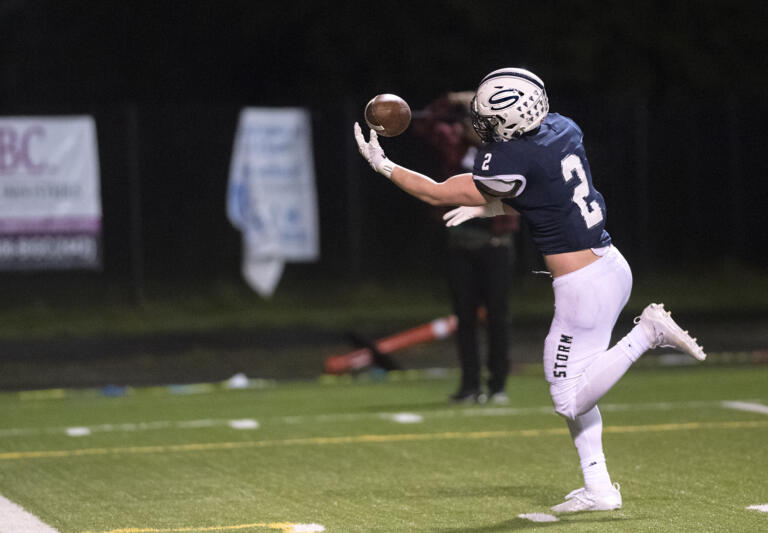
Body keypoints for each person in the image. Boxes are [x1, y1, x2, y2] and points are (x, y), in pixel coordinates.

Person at [354, 67, 706, 512]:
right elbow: (542, 189)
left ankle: (648, 333)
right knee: (576, 388)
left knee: (568, 396)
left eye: (487, 117)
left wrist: (384, 165)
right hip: (610, 265)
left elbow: (439, 192)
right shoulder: (561, 127)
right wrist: (485, 210)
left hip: (584, 287)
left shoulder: (508, 159)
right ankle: (598, 487)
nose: (481, 124)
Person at [411, 92, 519, 404]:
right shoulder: (453, 142)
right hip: (461, 244)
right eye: (470, 120)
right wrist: (452, 99)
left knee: (498, 317)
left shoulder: (504, 147)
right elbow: (424, 123)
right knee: (465, 318)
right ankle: (470, 386)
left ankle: (498, 386)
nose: (474, 127)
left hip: (497, 243)